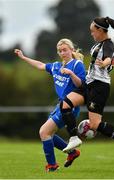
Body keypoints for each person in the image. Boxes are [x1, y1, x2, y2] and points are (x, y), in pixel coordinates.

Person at [60, 17, 114, 158]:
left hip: (99, 87)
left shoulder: (108, 44)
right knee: (65, 104)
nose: (91, 34)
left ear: (101, 30)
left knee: (95, 125)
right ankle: (74, 138)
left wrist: (105, 63)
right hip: (89, 83)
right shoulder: (97, 45)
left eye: (93, 31)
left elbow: (108, 57)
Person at [14, 38, 86, 172]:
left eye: (65, 50)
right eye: (60, 51)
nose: (62, 53)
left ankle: (52, 166)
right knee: (48, 135)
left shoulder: (77, 65)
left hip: (69, 107)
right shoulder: (56, 66)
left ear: (72, 50)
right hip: (60, 106)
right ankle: (72, 153)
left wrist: (71, 74)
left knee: (43, 132)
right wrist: (23, 57)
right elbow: (40, 65)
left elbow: (81, 85)